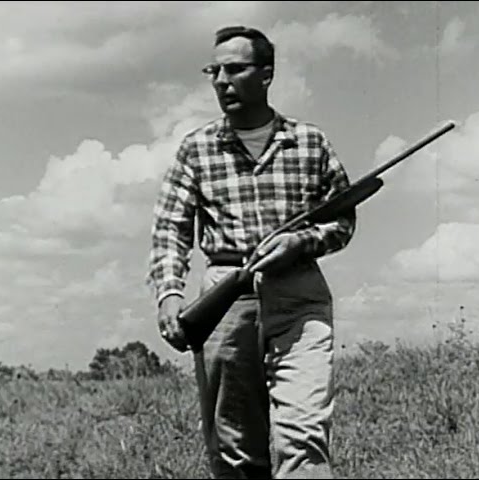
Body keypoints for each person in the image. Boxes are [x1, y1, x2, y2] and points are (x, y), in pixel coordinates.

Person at [147, 25, 356, 479]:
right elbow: (170, 228)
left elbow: (343, 220)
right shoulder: (196, 148)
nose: (222, 81)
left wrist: (300, 242)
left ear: (266, 74)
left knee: (303, 435)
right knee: (235, 447)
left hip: (299, 297)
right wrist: (169, 295)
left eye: (235, 69)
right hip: (225, 297)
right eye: (214, 71)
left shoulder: (310, 141)